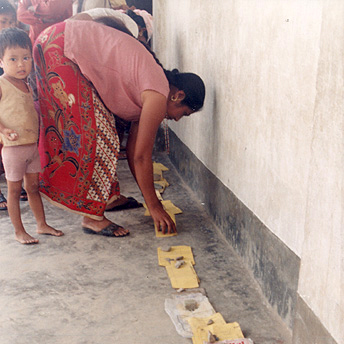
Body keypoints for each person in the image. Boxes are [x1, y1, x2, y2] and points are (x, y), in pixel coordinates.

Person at [33, 19, 205, 237]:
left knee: (106, 133)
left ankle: (109, 199)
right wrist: (154, 207)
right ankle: (92, 218)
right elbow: (142, 157)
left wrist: (151, 201)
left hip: (58, 41)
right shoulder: (157, 94)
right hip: (59, 46)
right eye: (184, 113)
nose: (178, 120)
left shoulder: (151, 86)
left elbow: (134, 151)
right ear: (178, 95)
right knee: (100, 135)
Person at [0, 27, 64, 243]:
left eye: (26, 58)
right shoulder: (2, 84)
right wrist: (3, 129)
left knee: (34, 188)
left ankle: (41, 224)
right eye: (13, 59)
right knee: (14, 191)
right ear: (1, 62)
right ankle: (19, 231)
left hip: (32, 148)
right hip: (13, 149)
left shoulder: (28, 84)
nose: (21, 64)